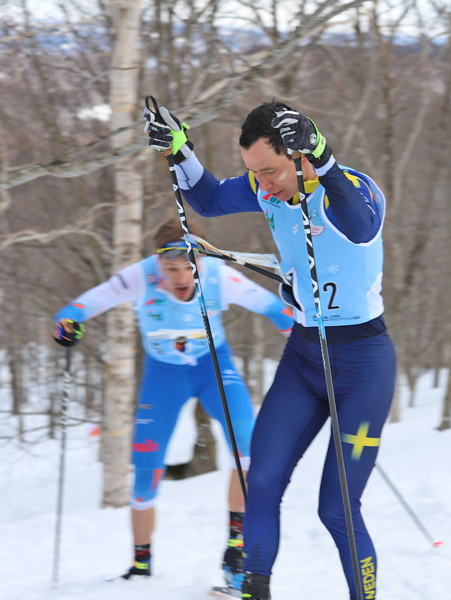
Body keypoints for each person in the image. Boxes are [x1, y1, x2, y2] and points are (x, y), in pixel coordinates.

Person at [143, 101, 396, 600]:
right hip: (305, 359)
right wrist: (181, 152)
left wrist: (322, 156)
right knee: (260, 481)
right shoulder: (268, 186)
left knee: (337, 509)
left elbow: (362, 226)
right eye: (253, 172)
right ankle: (254, 591)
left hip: (363, 365)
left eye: (271, 171)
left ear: (300, 155)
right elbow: (211, 200)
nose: (262, 185)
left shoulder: (351, 188)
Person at [52, 218, 293, 591]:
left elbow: (275, 309)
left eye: (188, 267)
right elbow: (83, 305)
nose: (181, 278)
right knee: (146, 473)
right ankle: (140, 565)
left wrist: (301, 330)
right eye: (171, 268)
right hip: (163, 376)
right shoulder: (140, 277)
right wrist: (67, 322)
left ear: (201, 260)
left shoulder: (217, 276)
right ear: (157, 263)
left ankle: (236, 549)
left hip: (213, 367)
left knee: (248, 449)